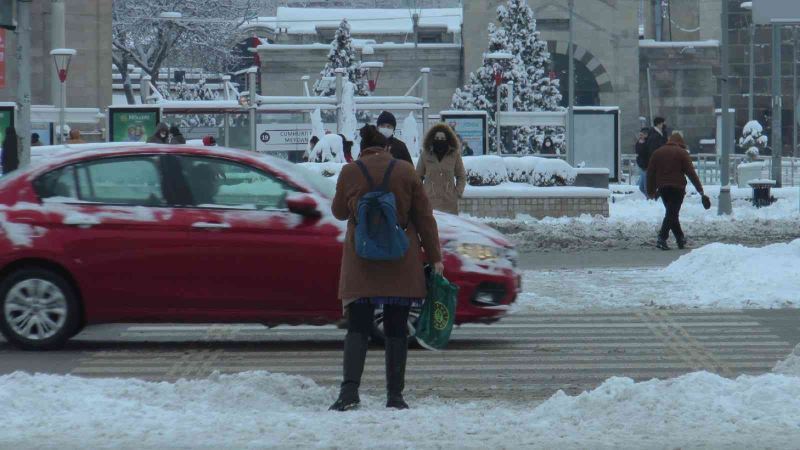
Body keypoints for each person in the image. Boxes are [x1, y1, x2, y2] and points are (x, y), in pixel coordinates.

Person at [330, 125, 443, 412]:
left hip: (362, 259)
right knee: (395, 326)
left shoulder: (350, 171)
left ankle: (349, 393)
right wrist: (434, 257)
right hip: (400, 259)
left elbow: (339, 212)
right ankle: (395, 396)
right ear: (386, 147)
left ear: (362, 149)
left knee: (358, 325)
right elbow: (425, 218)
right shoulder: (405, 171)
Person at [646, 131, 705, 251]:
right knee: (672, 213)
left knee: (671, 213)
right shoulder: (682, 153)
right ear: (681, 142)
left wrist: (651, 190)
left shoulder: (658, 152)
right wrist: (700, 190)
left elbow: (650, 173)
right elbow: (691, 173)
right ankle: (662, 238)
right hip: (678, 188)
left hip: (663, 188)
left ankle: (680, 238)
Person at [416, 123, 466, 214]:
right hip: (430, 203)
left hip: (449, 204)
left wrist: (457, 193)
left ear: (448, 139)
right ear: (432, 139)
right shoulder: (425, 155)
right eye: (437, 138)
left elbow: (461, 176)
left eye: (442, 139)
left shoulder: (454, 155)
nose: (440, 141)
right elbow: (417, 176)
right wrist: (422, 193)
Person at [634, 127, 651, 195]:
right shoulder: (640, 142)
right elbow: (637, 151)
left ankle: (650, 200)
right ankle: (650, 199)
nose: (640, 136)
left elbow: (644, 152)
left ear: (646, 135)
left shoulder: (649, 142)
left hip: (647, 167)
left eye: (641, 135)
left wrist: (642, 144)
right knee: (641, 187)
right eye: (640, 135)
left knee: (646, 187)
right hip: (643, 167)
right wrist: (640, 143)